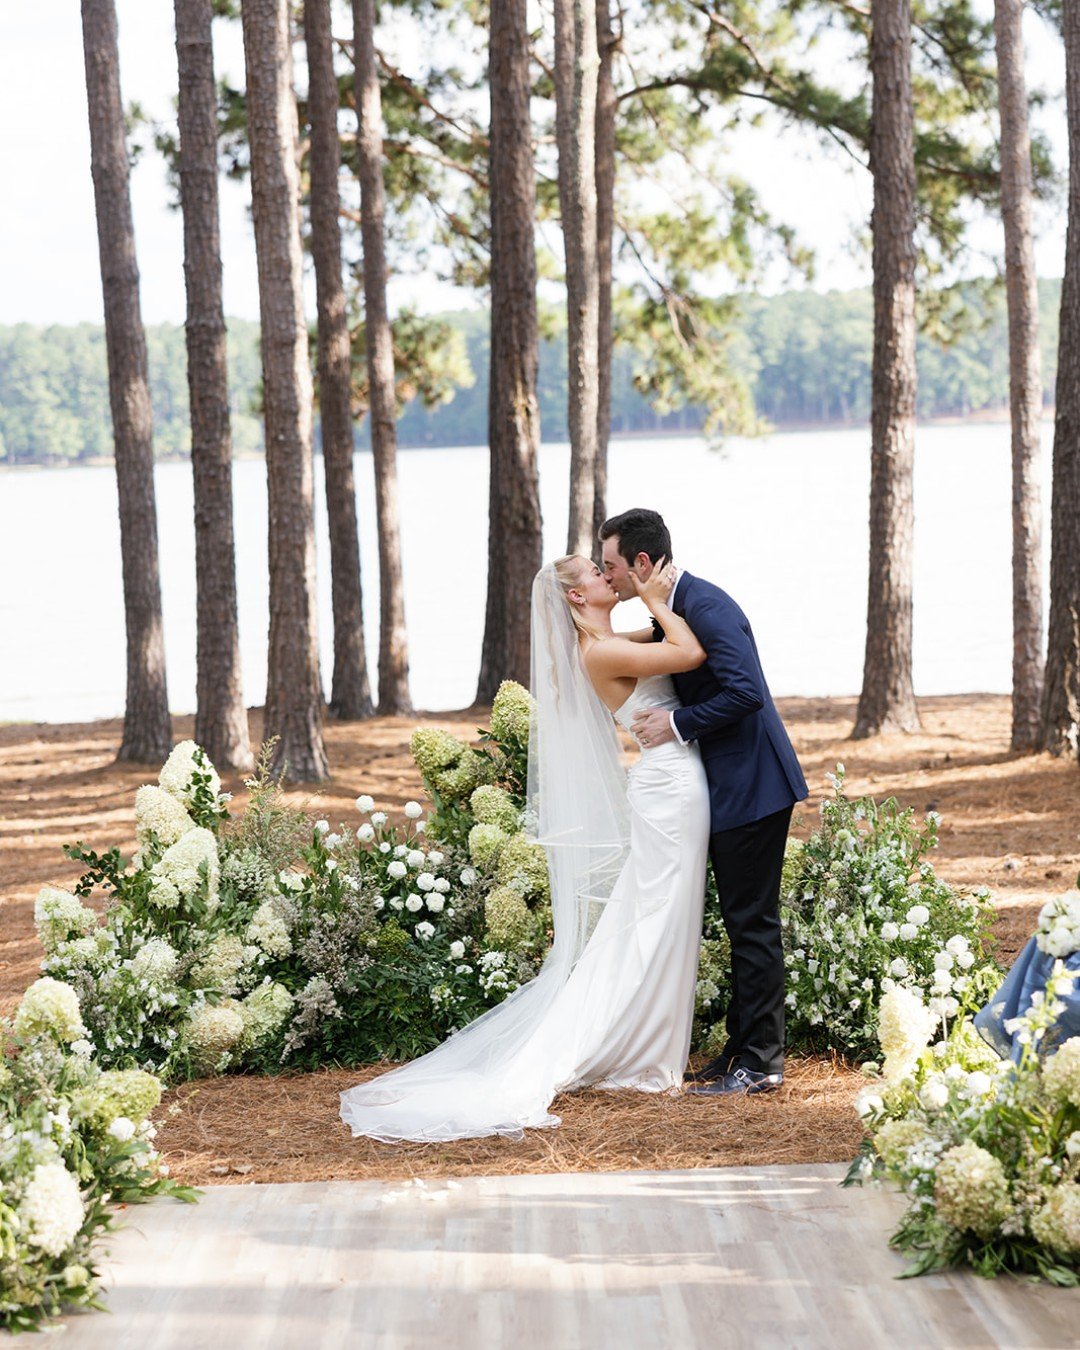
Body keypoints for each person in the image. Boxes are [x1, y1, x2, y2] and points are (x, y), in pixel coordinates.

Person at [339, 553, 712, 1142]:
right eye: (596, 572)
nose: (607, 576)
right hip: (667, 788)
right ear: (576, 596)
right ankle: (629, 1041)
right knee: (654, 916)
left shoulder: (613, 641)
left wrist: (660, 604)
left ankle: (640, 1036)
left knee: (656, 915)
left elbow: (665, 639)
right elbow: (688, 653)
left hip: (670, 783)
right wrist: (657, 599)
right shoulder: (602, 652)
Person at [600, 507, 808, 1096]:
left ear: (642, 562)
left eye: (610, 564)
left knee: (753, 924)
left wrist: (676, 724)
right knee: (742, 922)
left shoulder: (706, 606)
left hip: (754, 787)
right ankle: (740, 1050)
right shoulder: (676, 608)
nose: (606, 574)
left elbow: (746, 692)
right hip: (727, 788)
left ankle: (761, 1062)